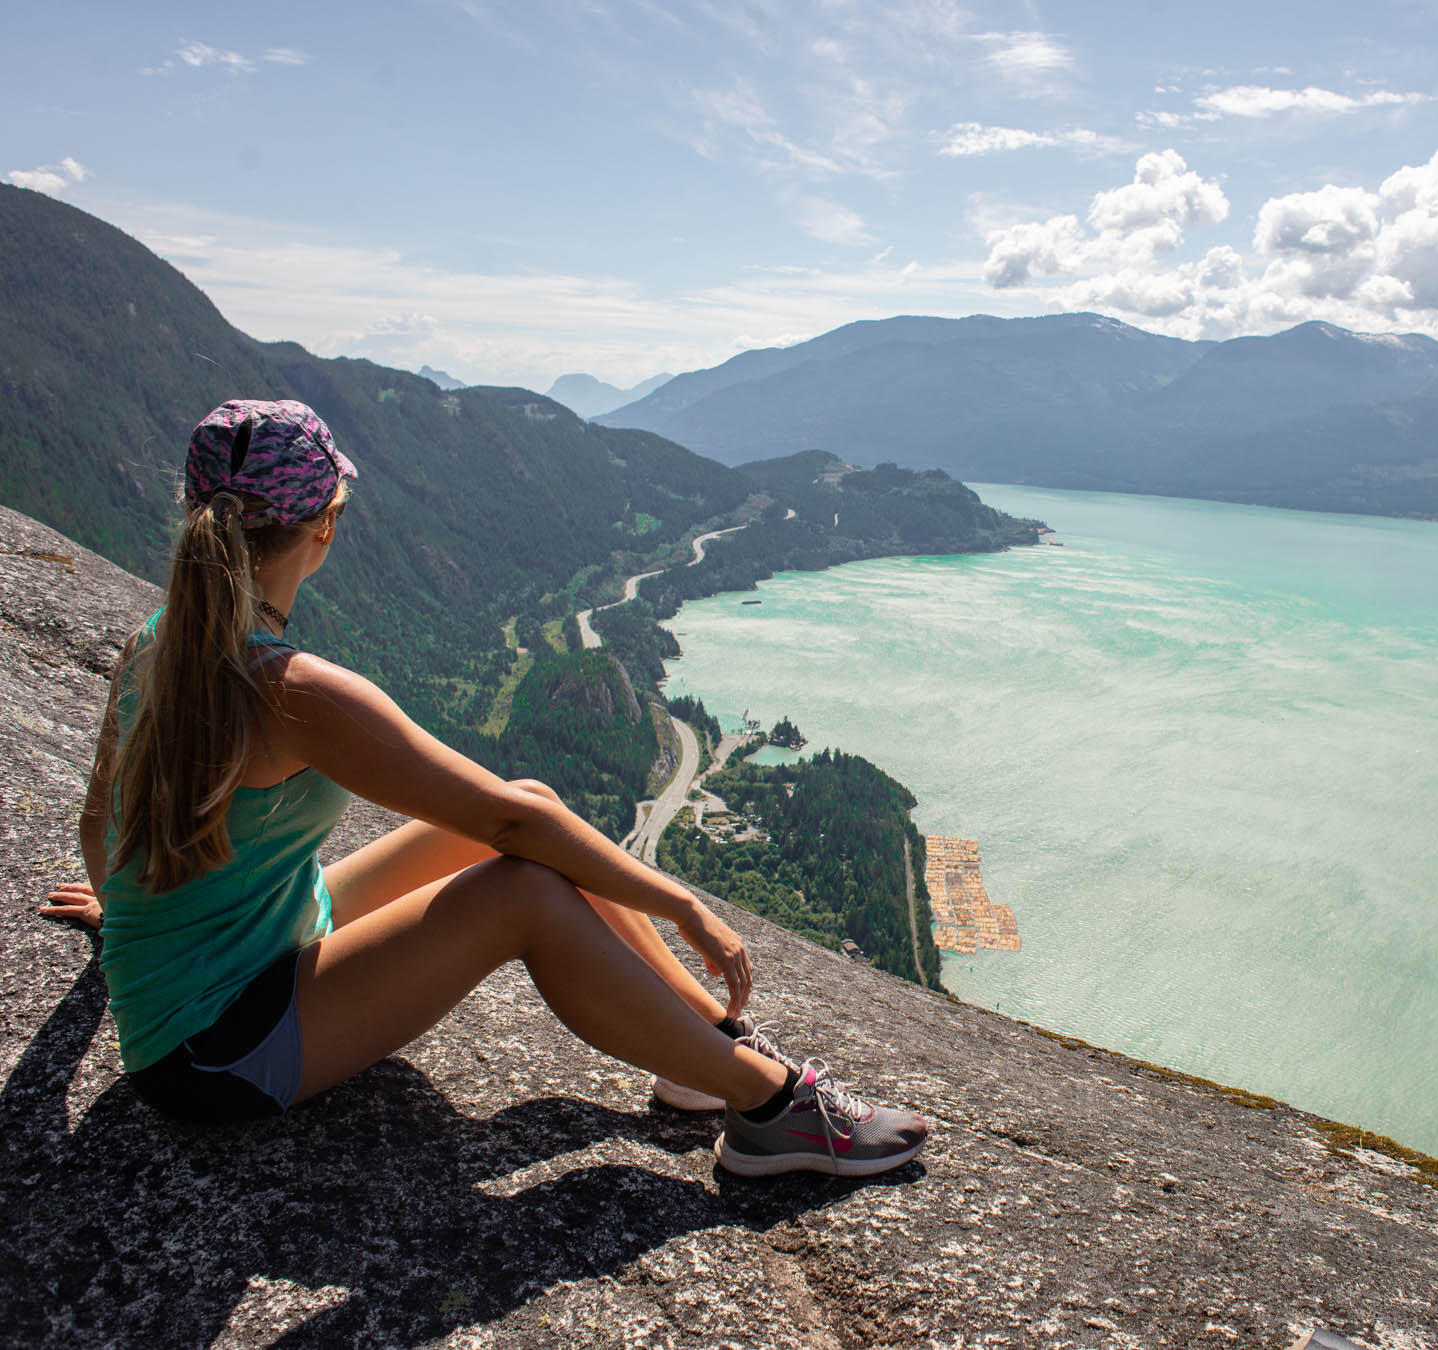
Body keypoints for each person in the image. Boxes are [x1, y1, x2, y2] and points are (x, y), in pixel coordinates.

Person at [39, 398, 927, 1178]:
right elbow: (511, 823)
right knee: (521, 885)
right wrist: (683, 905)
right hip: (212, 1051)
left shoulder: (157, 643)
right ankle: (771, 1110)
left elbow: (99, 819)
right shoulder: (293, 691)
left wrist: (132, 923)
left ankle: (706, 1050)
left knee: (527, 805)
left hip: (249, 950)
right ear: (325, 528)